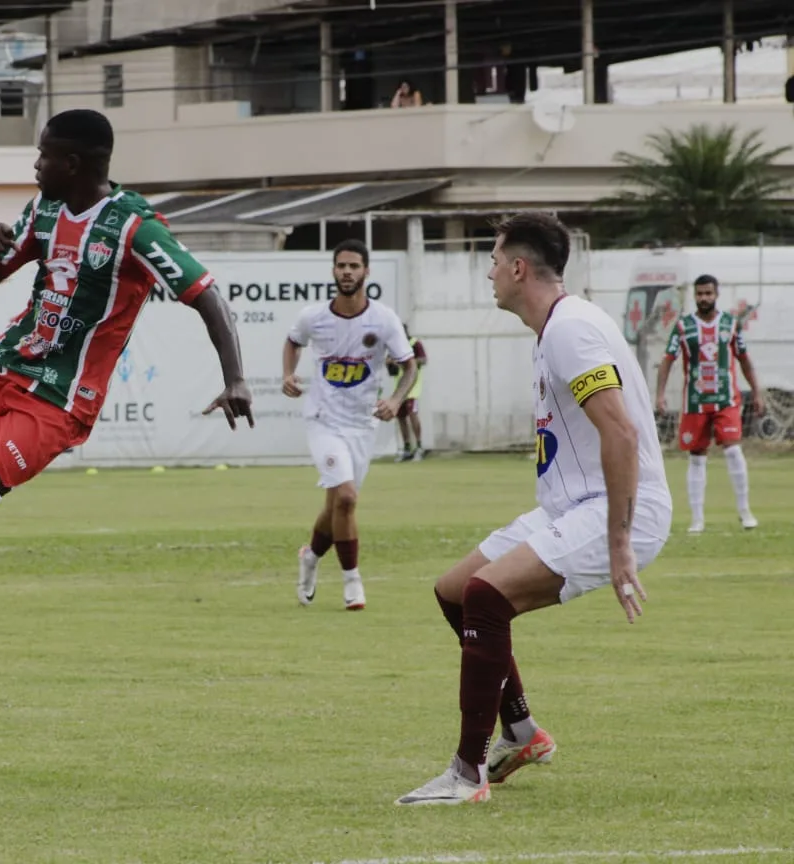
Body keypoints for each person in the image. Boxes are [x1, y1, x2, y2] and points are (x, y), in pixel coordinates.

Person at [0, 108, 254, 630]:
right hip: (5, 367)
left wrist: (235, 377)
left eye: (44, 155)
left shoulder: (135, 229)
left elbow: (208, 296)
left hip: (60, 396)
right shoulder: (44, 210)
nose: (35, 165)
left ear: (73, 163)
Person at [396, 212, 671, 806]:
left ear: (519, 268)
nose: (489, 273)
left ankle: (467, 775)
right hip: (570, 504)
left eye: (494, 261)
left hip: (617, 507)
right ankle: (521, 734)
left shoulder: (571, 329)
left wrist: (620, 545)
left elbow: (620, 435)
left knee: (488, 597)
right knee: (456, 589)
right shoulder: (554, 329)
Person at [283, 239, 417, 611]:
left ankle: (310, 556)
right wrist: (288, 375)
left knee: (337, 507)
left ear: (366, 272)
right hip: (324, 422)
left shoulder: (384, 319)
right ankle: (352, 581)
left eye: (354, 266)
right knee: (346, 497)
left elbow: (409, 367)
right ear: (333, 271)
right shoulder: (314, 317)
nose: (347, 272)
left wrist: (395, 400)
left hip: (362, 425)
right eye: (341, 265)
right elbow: (293, 341)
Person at [654, 274, 763, 533]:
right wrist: (659, 395)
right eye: (700, 294)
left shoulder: (730, 324)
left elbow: (744, 359)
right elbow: (668, 359)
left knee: (733, 450)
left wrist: (757, 391)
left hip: (726, 399)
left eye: (708, 293)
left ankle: (745, 512)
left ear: (717, 294)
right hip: (695, 402)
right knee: (697, 457)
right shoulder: (683, 326)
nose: (704, 298)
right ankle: (697, 519)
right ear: (694, 295)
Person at [387, 323, 428, 461]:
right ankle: (406, 448)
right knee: (401, 417)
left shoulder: (414, 343)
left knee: (413, 414)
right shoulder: (394, 346)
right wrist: (390, 364)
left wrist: (407, 362)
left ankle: (419, 446)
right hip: (399, 388)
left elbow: (423, 360)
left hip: (413, 387)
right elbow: (392, 371)